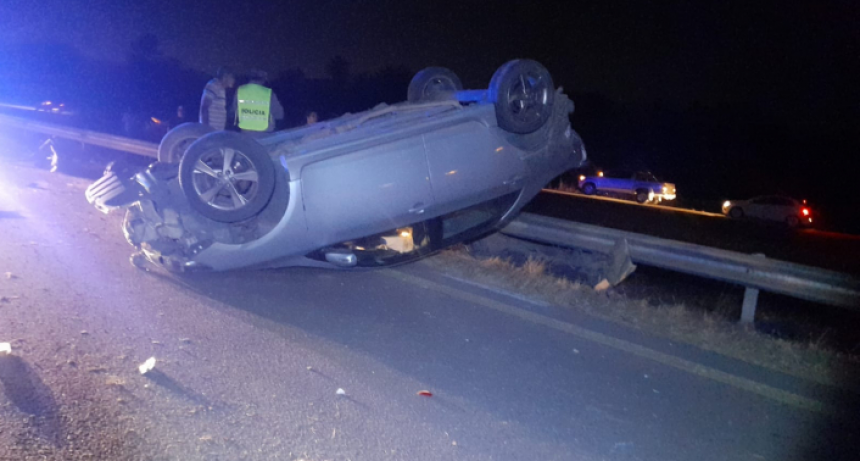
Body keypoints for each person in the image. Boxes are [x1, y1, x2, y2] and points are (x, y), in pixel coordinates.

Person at [233, 70, 284, 134]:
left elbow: (234, 110)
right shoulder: (268, 93)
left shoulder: (240, 90)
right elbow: (279, 114)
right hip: (265, 134)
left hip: (246, 133)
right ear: (263, 79)